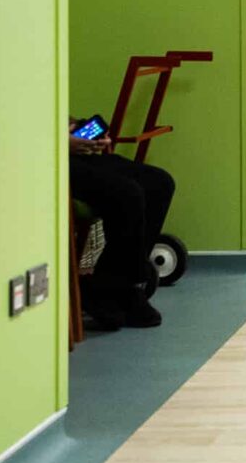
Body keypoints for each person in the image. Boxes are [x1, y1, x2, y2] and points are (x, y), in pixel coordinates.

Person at [69, 133, 171, 330]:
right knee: (128, 193)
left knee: (160, 183)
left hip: (73, 153)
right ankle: (117, 288)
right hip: (49, 157)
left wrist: (75, 130)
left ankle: (113, 282)